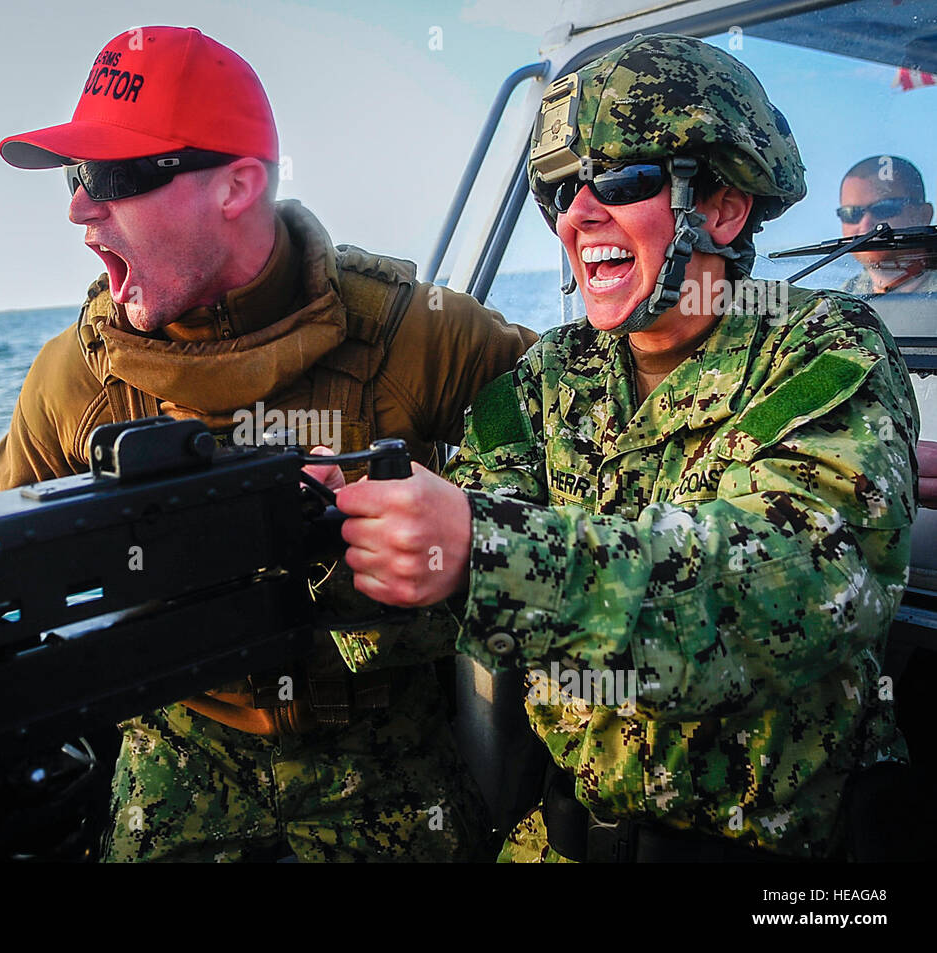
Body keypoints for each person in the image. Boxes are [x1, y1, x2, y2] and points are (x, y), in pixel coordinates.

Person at [326, 33, 919, 861]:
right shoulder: (547, 378)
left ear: (723, 207)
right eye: (563, 189)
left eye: (626, 178)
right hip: (564, 838)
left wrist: (480, 550)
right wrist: (345, 540)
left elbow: (799, 586)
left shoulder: (824, 349)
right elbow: (449, 597)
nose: (578, 213)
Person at [0, 25, 538, 861]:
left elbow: (588, 481)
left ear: (237, 185)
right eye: (78, 176)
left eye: (114, 176)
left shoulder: (425, 336)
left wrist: (444, 523)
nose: (80, 207)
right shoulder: (74, 379)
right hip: (179, 760)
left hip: (394, 763)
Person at [838, 155, 937, 296]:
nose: (865, 224)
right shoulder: (839, 300)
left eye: (884, 209)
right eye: (852, 213)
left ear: (923, 215)